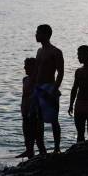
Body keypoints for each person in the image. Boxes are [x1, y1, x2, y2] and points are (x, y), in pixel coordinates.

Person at [34, 24, 64, 153]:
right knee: (37, 119)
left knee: (53, 119)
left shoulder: (55, 52)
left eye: (38, 33)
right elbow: (36, 71)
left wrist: (54, 89)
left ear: (46, 35)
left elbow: (61, 72)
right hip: (38, 88)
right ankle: (42, 149)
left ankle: (57, 148)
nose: (36, 35)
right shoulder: (39, 51)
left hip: (49, 87)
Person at [17, 58, 46, 158]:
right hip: (25, 112)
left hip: (35, 114)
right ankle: (29, 152)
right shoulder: (25, 80)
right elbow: (24, 96)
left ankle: (44, 157)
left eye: (26, 66)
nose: (24, 67)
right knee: (27, 137)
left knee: (38, 139)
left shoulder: (38, 81)